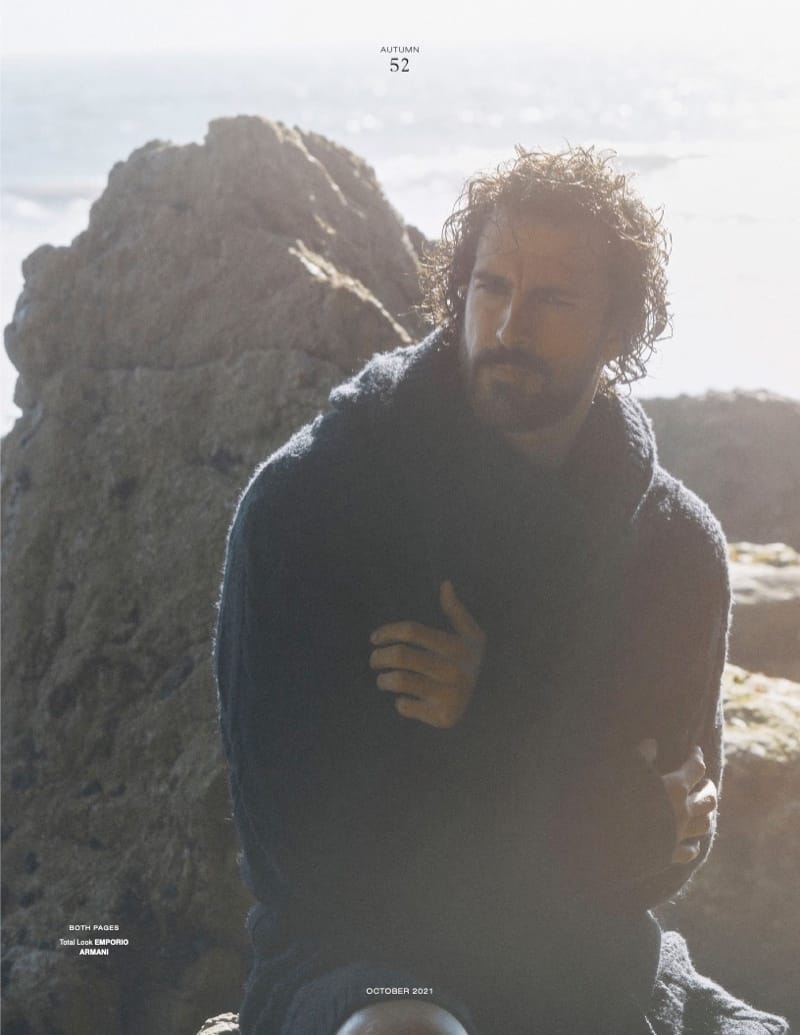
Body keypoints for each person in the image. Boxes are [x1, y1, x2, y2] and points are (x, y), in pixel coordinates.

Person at [214, 147, 787, 1035]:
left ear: (618, 328)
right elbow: (307, 859)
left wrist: (498, 708)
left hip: (584, 961)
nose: (512, 325)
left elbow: (661, 853)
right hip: (359, 959)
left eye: (554, 299)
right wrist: (587, 788)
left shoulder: (674, 546)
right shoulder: (313, 502)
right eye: (491, 287)